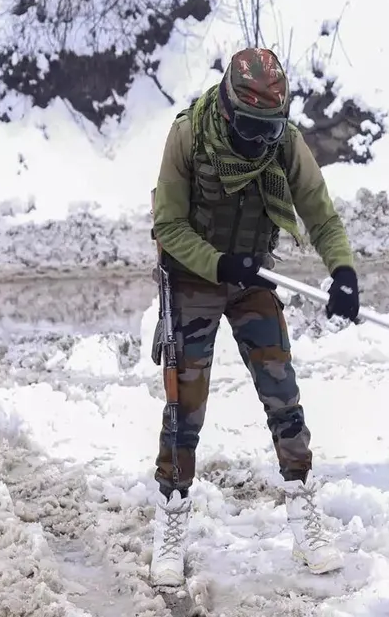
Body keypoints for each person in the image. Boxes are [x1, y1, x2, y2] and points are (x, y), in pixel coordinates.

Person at [148, 47, 361, 585]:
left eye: (272, 128)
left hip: (253, 280)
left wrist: (343, 272)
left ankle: (303, 508)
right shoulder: (188, 137)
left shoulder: (282, 142)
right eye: (251, 126)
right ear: (226, 109)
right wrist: (219, 263)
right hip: (195, 276)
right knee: (185, 405)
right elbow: (168, 226)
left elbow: (319, 210)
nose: (262, 139)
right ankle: (171, 515)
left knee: (281, 391)